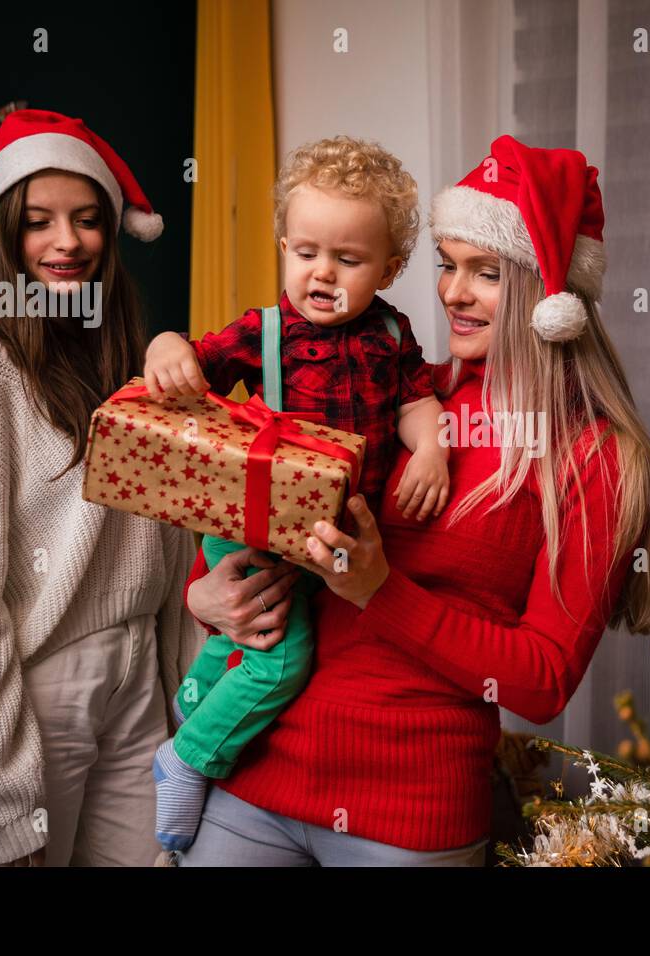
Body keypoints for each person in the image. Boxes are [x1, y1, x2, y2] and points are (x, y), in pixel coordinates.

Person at [177, 135, 650, 866]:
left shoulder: (594, 458)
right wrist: (206, 598)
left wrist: (381, 591)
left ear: (549, 296)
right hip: (256, 778)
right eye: (447, 264)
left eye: (486, 273)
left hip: (409, 817)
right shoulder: (401, 389)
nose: (452, 292)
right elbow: (262, 518)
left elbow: (539, 682)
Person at [0, 109, 215, 866]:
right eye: (38, 222)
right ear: (6, 236)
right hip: (37, 688)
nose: (66, 242)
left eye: (88, 219)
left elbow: (173, 548)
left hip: (138, 674)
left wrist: (181, 682)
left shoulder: (134, 365)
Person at [139, 137, 449, 859]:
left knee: (248, 641)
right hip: (251, 523)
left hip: (329, 535)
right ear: (283, 247)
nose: (323, 273)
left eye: (349, 259)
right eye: (306, 252)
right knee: (279, 657)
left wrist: (430, 446)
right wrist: (164, 346)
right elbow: (194, 364)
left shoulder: (393, 334)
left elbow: (415, 400)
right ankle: (186, 759)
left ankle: (193, 710)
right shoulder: (264, 331)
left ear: (391, 269)